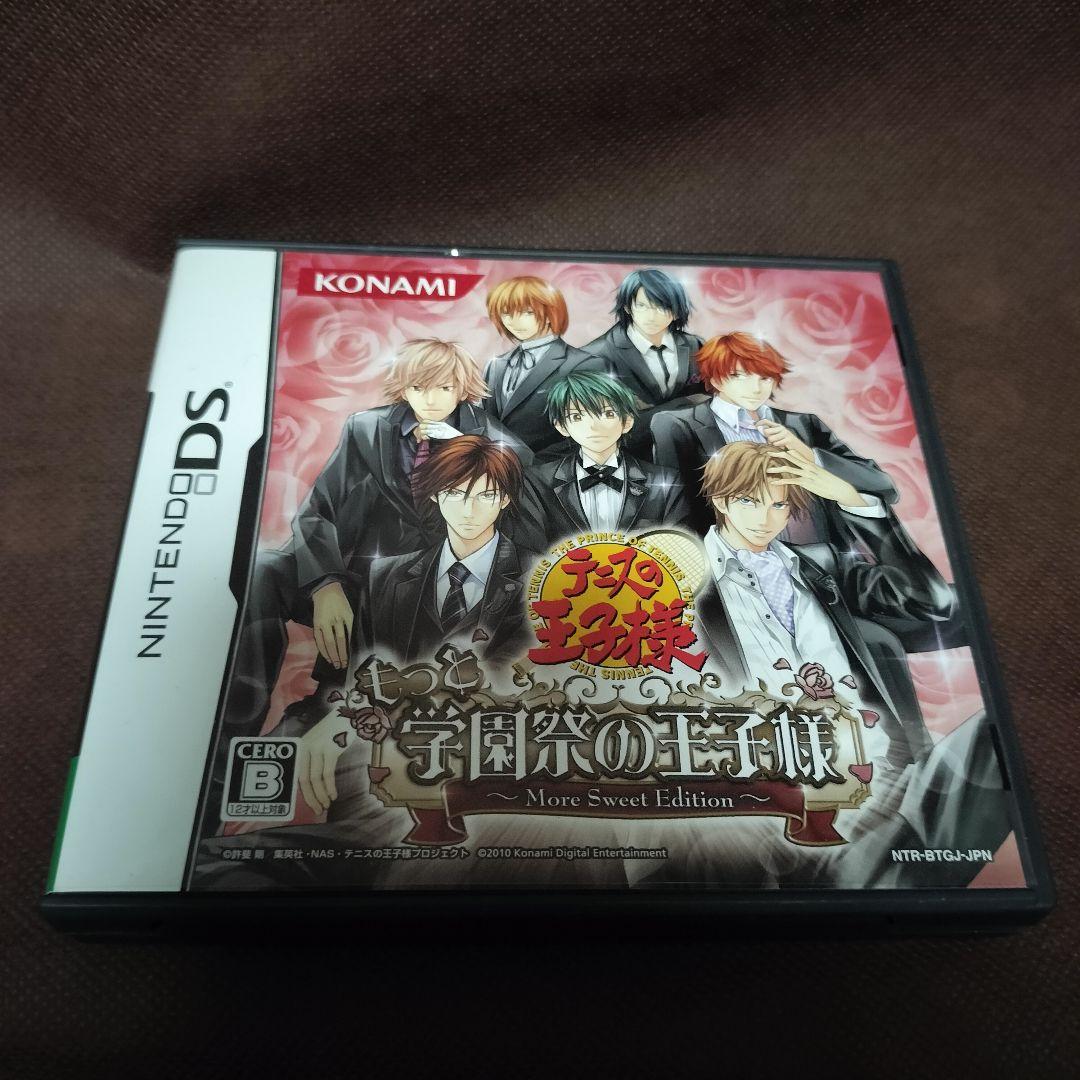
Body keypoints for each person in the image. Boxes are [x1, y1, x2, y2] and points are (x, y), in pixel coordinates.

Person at [221, 339, 532, 743]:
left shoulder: (493, 439)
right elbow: (317, 510)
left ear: (462, 387)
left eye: (444, 388)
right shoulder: (367, 429)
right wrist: (325, 585)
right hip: (357, 577)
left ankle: (331, 704)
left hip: (425, 592)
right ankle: (233, 731)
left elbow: (521, 481)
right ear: (403, 387)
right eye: (419, 388)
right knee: (264, 569)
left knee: (344, 702)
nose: (431, 400)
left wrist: (459, 443)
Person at [693, 441, 955, 767]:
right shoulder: (684, 580)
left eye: (779, 504)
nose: (764, 518)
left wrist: (853, 500)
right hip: (758, 768)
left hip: (875, 763)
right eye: (749, 501)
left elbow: (929, 599)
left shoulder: (820, 566)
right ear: (721, 500)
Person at [651, 332, 898, 543]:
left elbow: (883, 486)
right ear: (715, 378)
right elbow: (675, 508)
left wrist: (809, 455)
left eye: (764, 377)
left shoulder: (802, 424)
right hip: (731, 561)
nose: (755, 388)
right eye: (738, 376)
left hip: (817, 558)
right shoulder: (678, 425)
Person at [356, 435, 537, 666]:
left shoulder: (542, 576)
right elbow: (356, 674)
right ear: (435, 494)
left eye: (486, 496)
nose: (468, 510)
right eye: (454, 493)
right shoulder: (384, 576)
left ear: (505, 499)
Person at [519, 371, 691, 543]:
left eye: (607, 414)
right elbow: (530, 550)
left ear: (627, 421)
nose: (593, 426)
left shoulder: (666, 483)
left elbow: (679, 547)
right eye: (577, 416)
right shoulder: (536, 482)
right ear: (562, 427)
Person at [583, 267, 705, 452]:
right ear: (627, 307)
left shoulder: (695, 345)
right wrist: (686, 403)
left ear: (676, 311)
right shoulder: (596, 354)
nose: (651, 316)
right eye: (642, 305)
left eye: (661, 307)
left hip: (688, 450)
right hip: (626, 453)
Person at [481, 276, 606, 454]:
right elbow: (487, 420)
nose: (515, 321)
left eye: (527, 312)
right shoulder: (496, 366)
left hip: (552, 466)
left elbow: (591, 429)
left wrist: (539, 464)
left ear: (550, 312)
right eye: (507, 313)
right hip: (496, 464)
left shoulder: (583, 363)